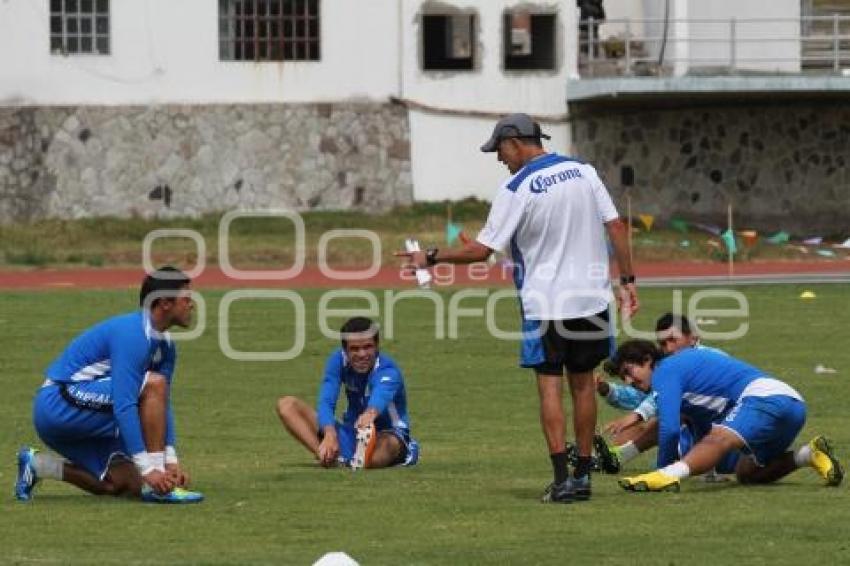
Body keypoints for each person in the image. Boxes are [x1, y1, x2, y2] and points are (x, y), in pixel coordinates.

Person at [397, 113, 638, 503]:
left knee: (549, 386)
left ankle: (561, 479)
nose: (498, 158)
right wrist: (628, 282)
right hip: (592, 299)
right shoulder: (584, 171)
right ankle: (582, 478)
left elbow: (481, 252)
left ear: (514, 141)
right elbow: (616, 228)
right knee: (583, 385)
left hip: (544, 304)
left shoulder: (517, 187)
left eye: (499, 150)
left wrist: (430, 256)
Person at [15, 266, 203, 504]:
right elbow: (125, 404)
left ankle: (38, 465)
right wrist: (151, 470)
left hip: (82, 412)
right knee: (152, 385)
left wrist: (171, 460)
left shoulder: (165, 346)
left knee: (125, 485)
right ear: (165, 303)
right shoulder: (134, 335)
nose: (192, 305)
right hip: (57, 404)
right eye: (186, 298)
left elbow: (161, 404)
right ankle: (159, 488)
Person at [608, 340, 843, 492]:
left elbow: (669, 429)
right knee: (748, 473)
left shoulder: (665, 371)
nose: (629, 381)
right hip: (793, 405)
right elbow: (697, 423)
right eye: (623, 378)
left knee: (719, 439)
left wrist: (663, 471)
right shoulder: (684, 376)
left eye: (629, 371)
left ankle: (667, 475)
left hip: (765, 397)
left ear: (648, 360)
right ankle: (807, 455)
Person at [276, 316, 419, 470]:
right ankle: (328, 457)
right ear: (345, 349)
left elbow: (381, 395)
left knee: (384, 449)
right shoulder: (337, 361)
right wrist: (330, 434)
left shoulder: (388, 370)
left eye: (368, 347)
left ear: (377, 346)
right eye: (355, 349)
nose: (362, 354)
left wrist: (370, 414)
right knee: (286, 405)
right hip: (351, 432)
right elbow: (326, 401)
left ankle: (350, 460)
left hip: (388, 435)